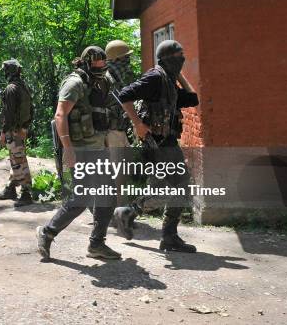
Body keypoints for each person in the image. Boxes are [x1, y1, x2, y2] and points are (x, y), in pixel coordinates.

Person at [36, 47, 121, 261]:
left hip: (98, 147)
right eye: (96, 67)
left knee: (108, 194)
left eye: (103, 66)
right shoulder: (74, 83)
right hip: (80, 149)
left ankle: (97, 244)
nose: (100, 70)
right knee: (82, 197)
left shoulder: (102, 82)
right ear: (85, 64)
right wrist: (68, 149)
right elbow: (60, 115)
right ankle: (47, 232)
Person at [113, 40, 198, 253]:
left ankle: (137, 217)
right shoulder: (154, 78)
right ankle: (162, 232)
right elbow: (123, 95)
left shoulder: (168, 80)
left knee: (176, 187)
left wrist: (178, 74)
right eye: (179, 56)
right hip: (156, 145)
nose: (182, 59)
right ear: (168, 59)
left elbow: (193, 99)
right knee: (176, 186)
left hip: (167, 143)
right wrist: (138, 123)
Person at [0, 59, 34, 207]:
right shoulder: (23, 86)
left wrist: (4, 132)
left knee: (18, 160)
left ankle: (26, 193)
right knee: (16, 158)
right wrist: (25, 127)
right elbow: (31, 109)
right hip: (21, 128)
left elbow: (9, 113)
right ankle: (11, 188)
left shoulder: (11, 88)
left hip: (14, 130)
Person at [104, 40, 136, 208]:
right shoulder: (107, 79)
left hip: (123, 129)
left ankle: (119, 206)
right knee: (117, 172)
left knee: (125, 170)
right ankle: (118, 209)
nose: (128, 62)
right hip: (112, 131)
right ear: (116, 60)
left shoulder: (121, 77)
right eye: (124, 59)